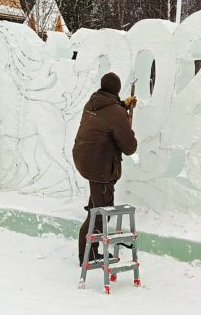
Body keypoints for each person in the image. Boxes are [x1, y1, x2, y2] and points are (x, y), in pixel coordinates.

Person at [73, 72, 137, 265]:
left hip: (85, 160)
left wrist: (123, 106)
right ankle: (88, 255)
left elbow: (108, 116)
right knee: (100, 214)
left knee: (96, 208)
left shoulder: (93, 103)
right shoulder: (116, 113)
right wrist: (124, 116)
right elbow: (130, 147)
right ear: (116, 90)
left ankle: (88, 252)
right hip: (99, 167)